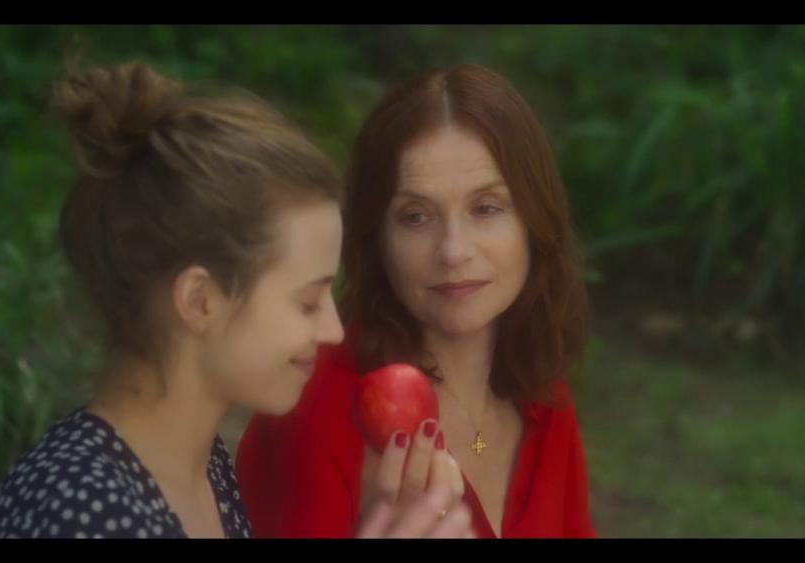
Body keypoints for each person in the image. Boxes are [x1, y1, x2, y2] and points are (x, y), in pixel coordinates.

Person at [0, 60, 473, 539]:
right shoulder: (83, 511)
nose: (334, 331)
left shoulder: (199, 464)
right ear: (200, 301)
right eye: (307, 302)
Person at [236, 63, 595, 538]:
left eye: (486, 208)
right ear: (375, 237)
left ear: (534, 220)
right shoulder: (317, 406)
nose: (453, 251)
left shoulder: (541, 387)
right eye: (415, 217)